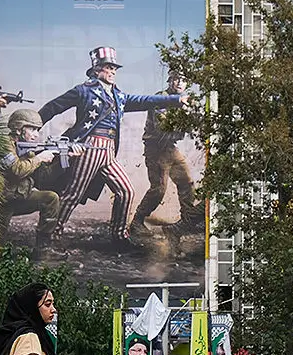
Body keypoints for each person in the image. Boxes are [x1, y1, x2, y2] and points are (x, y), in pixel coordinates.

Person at [37, 47, 186, 246]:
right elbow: (54, 106)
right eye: (108, 68)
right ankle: (51, 236)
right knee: (73, 193)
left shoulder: (118, 95)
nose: (113, 71)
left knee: (126, 191)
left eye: (114, 68)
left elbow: (145, 101)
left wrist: (175, 100)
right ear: (96, 70)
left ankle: (119, 236)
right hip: (89, 147)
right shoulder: (83, 91)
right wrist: (32, 125)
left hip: (108, 150)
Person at [130, 71, 203, 243]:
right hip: (156, 149)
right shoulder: (161, 98)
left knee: (186, 182)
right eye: (176, 79)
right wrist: (186, 118)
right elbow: (164, 125)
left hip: (170, 148)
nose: (179, 82)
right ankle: (137, 222)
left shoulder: (184, 100)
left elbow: (190, 127)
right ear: (170, 81)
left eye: (183, 79)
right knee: (159, 189)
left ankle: (187, 220)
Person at [0, 109, 71, 260]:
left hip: (19, 196)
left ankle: (42, 250)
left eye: (38, 130)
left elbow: (44, 178)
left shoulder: (27, 149)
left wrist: (64, 158)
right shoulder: (4, 144)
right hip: (1, 201)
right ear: (19, 128)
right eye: (32, 129)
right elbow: (17, 170)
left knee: (50, 198)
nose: (36, 134)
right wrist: (39, 158)